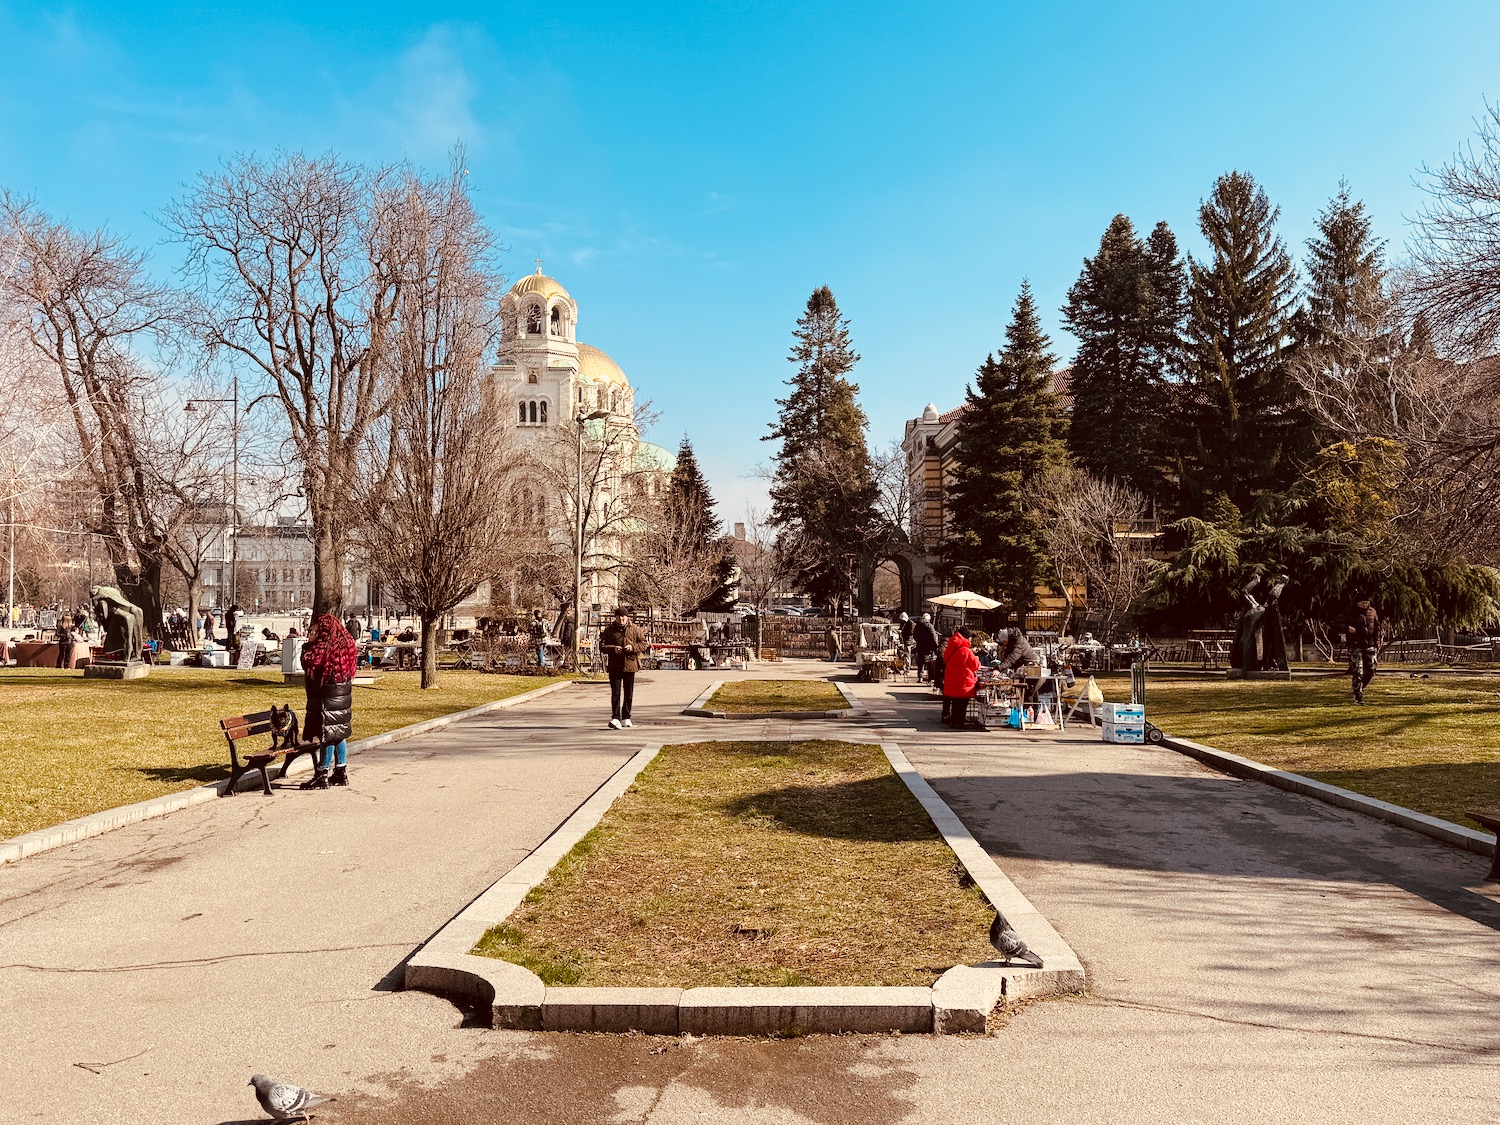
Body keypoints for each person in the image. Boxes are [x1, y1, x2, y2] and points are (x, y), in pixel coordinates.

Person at [299, 613, 357, 789]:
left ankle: (322, 773)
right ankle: (340, 772)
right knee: (338, 734)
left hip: (327, 699)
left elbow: (308, 663)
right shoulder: (345, 644)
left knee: (327, 735)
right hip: (342, 698)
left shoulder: (323, 647)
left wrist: (308, 644)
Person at [599, 606, 647, 729]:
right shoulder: (609, 630)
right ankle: (615, 718)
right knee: (615, 693)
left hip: (630, 664)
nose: (621, 619)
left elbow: (644, 644)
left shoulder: (635, 629)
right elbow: (602, 646)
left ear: (627, 617)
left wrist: (632, 648)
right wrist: (613, 649)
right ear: (615, 617)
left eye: (623, 616)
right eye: (619, 616)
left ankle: (626, 717)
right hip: (615, 664)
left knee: (628, 693)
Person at [1341, 594, 1380, 704]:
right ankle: (1358, 696)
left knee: (1371, 670)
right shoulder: (1349, 612)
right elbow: (1335, 623)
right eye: (1363, 603)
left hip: (1370, 645)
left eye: (1367, 602)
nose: (1365, 605)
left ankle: (1360, 687)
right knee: (1358, 671)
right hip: (1355, 645)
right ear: (1357, 603)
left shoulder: (1372, 612)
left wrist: (1376, 642)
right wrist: (1347, 628)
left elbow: (1377, 627)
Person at [942, 626, 980, 728]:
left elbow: (945, 659)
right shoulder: (966, 650)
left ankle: (954, 721)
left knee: (955, 702)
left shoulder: (951, 647)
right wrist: (976, 658)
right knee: (962, 703)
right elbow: (976, 665)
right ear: (966, 638)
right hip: (963, 681)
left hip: (952, 680)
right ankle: (959, 722)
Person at [912, 612, 939, 683]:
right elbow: (933, 637)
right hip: (929, 648)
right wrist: (935, 646)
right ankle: (929, 677)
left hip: (920, 646)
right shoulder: (930, 626)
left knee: (921, 662)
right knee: (930, 663)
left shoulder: (918, 626)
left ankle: (920, 677)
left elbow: (914, 635)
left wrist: (918, 640)